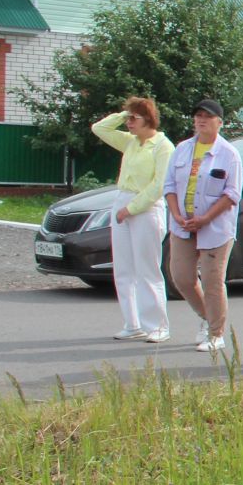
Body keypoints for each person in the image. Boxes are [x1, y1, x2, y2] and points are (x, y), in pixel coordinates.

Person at [163, 99, 243, 354]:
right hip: (182, 225)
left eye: (207, 117)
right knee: (182, 277)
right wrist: (176, 214)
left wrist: (206, 218)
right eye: (197, 116)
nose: (201, 120)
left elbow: (232, 194)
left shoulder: (229, 153)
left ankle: (216, 333)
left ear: (219, 122)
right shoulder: (183, 149)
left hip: (215, 227)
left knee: (212, 280)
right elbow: (169, 186)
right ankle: (207, 317)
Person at [91, 97, 173, 342]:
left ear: (148, 119)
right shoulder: (131, 142)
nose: (129, 123)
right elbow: (99, 128)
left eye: (134, 118)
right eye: (128, 118)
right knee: (124, 268)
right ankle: (132, 323)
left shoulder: (162, 145)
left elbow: (159, 185)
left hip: (146, 208)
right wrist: (122, 113)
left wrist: (132, 208)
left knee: (147, 268)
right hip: (122, 201)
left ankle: (158, 325)